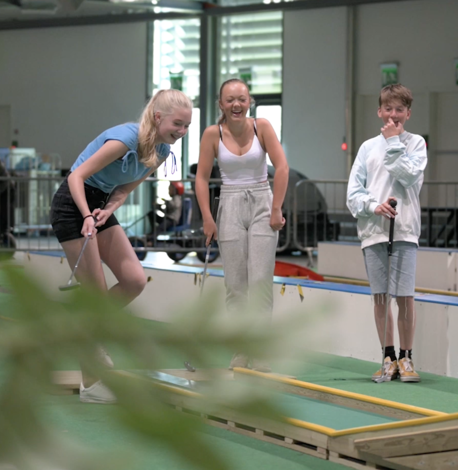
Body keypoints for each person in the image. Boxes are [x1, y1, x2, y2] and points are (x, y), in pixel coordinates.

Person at [50, 89, 192, 403]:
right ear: (158, 118)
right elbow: (75, 177)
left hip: (99, 207)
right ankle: (91, 385)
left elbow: (124, 190)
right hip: (72, 206)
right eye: (177, 124)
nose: (181, 132)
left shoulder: (162, 152)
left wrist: (107, 210)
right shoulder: (126, 139)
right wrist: (86, 215)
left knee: (134, 280)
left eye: (187, 127)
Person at [195, 78, 289, 372]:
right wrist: (208, 219)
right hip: (230, 202)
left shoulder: (262, 127)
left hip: (262, 199)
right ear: (221, 104)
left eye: (242, 99)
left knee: (260, 281)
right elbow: (201, 178)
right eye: (230, 100)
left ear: (249, 102)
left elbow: (282, 167)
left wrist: (276, 209)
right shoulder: (212, 134)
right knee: (235, 285)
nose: (237, 105)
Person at [346, 84, 427, 383]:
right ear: (379, 111)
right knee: (380, 297)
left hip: (405, 231)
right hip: (374, 232)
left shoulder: (416, 143)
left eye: (400, 110)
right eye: (388, 109)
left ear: (408, 113)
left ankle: (407, 358)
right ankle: (388, 357)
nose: (393, 115)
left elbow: (407, 175)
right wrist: (373, 206)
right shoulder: (367, 148)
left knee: (404, 297)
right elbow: (353, 194)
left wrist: (394, 142)